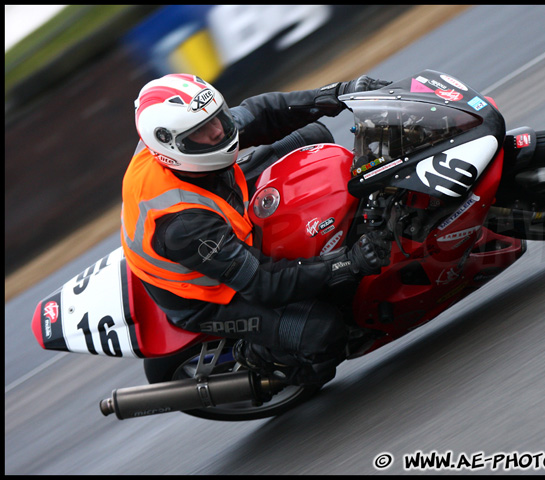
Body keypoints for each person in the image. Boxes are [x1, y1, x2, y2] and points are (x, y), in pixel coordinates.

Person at [121, 73, 392, 386]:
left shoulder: (185, 133)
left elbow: (262, 112)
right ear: (174, 147)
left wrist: (339, 94)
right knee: (322, 330)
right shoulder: (183, 225)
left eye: (217, 117)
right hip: (205, 296)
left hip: (220, 197)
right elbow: (264, 282)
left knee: (311, 135)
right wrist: (348, 262)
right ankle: (263, 358)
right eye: (203, 131)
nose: (218, 130)